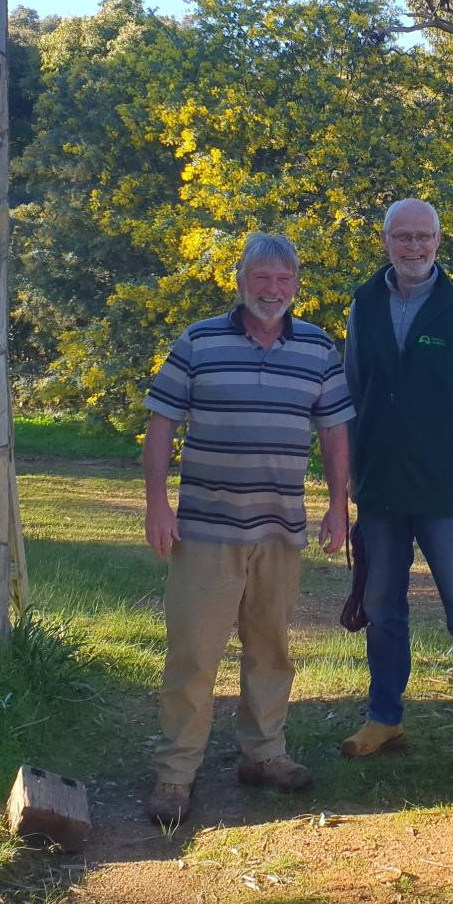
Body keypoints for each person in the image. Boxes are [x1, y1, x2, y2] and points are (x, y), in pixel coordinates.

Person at [141, 233, 353, 827]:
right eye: (262, 278)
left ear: (296, 286)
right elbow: (161, 424)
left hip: (281, 530)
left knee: (271, 650)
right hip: (206, 530)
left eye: (284, 281)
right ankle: (176, 773)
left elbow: (335, 434)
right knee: (194, 654)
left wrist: (339, 507)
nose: (273, 290)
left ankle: (264, 755)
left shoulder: (317, 348)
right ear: (240, 281)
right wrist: (158, 505)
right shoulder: (200, 339)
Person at [340, 198, 453, 780]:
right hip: (381, 491)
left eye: (425, 237)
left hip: (447, 493)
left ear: (439, 241)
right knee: (382, 608)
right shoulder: (363, 305)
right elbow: (348, 398)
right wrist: (343, 485)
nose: (414, 248)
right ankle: (384, 716)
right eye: (403, 237)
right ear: (385, 241)